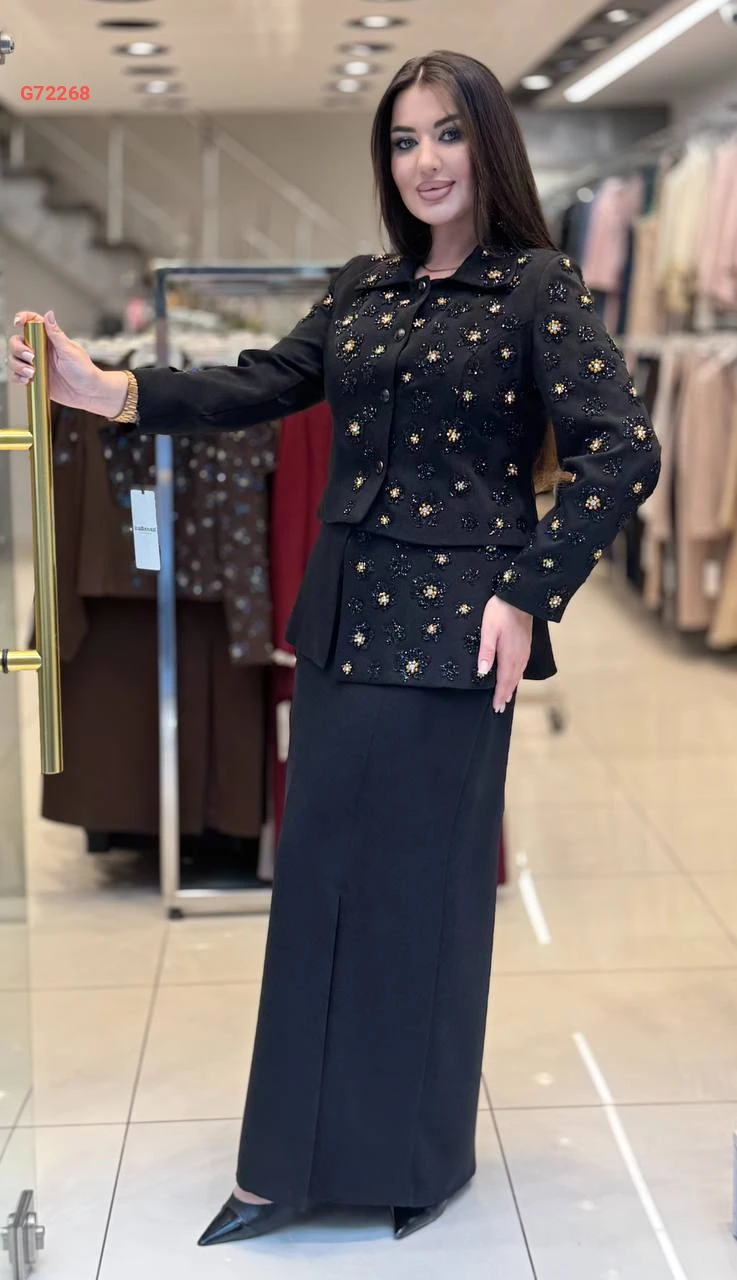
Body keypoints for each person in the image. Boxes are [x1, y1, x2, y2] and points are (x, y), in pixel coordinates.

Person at [7, 50, 661, 1245]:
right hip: (343, 621)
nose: (424, 161)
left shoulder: (536, 285)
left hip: (459, 632)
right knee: (317, 888)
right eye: (403, 140)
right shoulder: (365, 286)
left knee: (423, 896)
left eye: (445, 134)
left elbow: (621, 448)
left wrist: (528, 590)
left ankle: (415, 1155)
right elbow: (260, 382)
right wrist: (110, 392)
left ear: (487, 145)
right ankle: (284, 1163)